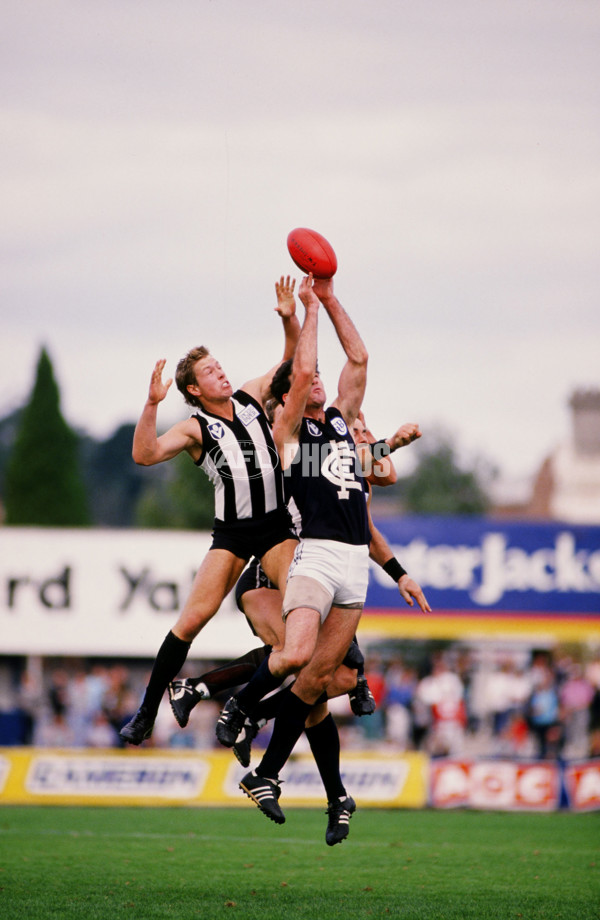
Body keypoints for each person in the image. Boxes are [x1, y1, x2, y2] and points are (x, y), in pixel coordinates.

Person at [216, 273, 426, 842]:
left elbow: (358, 358)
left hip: (355, 565)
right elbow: (306, 371)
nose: (313, 387)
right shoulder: (287, 434)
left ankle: (266, 774)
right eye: (301, 385)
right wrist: (307, 309)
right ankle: (238, 707)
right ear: (286, 398)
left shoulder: (339, 425)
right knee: (297, 653)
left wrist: (331, 299)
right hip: (315, 558)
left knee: (312, 684)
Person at [119, 278, 301, 745]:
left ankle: (349, 667)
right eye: (210, 371)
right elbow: (145, 454)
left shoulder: (249, 396)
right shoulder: (194, 427)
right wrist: (151, 404)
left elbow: (292, 365)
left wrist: (288, 319)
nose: (221, 373)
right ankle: (146, 712)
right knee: (192, 620)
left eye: (220, 365)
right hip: (234, 533)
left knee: (306, 597)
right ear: (194, 389)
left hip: (276, 526)